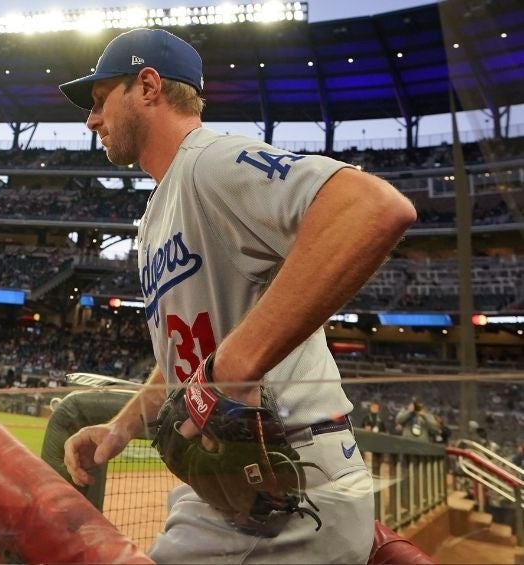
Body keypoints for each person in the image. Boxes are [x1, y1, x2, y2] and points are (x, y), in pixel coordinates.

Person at [57, 28, 416, 564]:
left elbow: (373, 206)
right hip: (236, 492)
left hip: (287, 484)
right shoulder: (159, 209)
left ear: (149, 86)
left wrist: (237, 364)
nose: (91, 118)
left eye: (100, 98)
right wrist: (123, 424)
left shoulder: (210, 163)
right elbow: (192, 358)